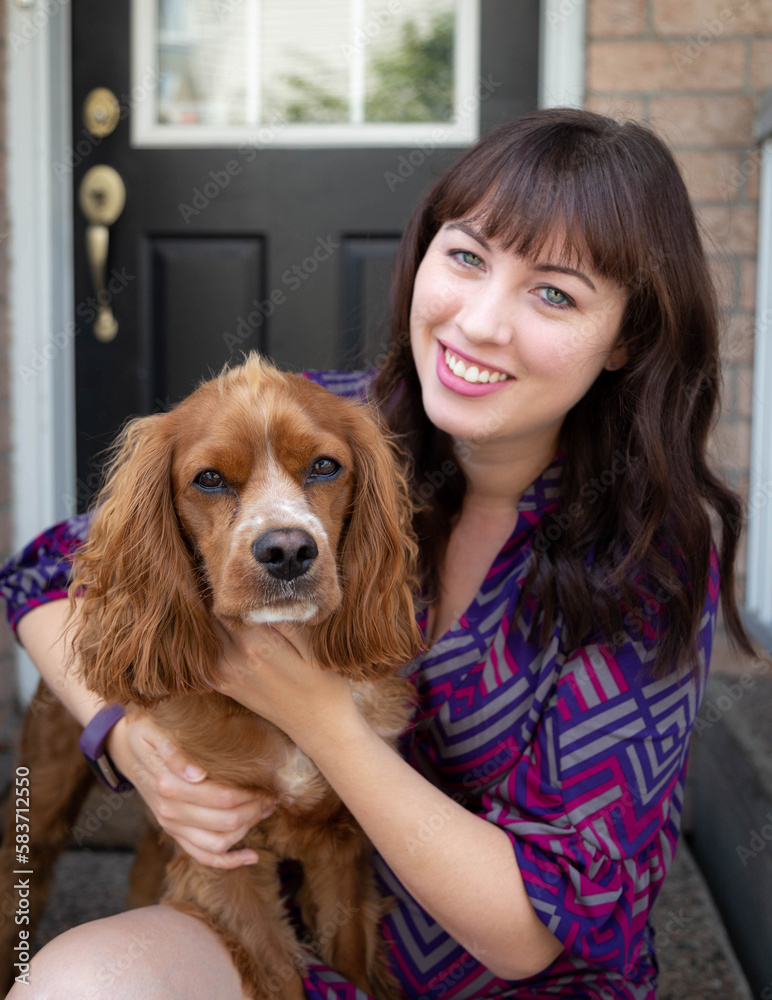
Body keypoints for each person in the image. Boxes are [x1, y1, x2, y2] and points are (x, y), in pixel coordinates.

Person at [1, 107, 752, 1000]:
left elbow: (536, 928)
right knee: (77, 977)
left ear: (626, 336)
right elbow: (43, 571)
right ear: (425, 255)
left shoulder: (648, 559)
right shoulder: (339, 423)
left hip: (499, 980)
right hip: (278, 946)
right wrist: (124, 740)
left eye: (554, 292)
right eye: (467, 256)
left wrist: (320, 718)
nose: (479, 324)